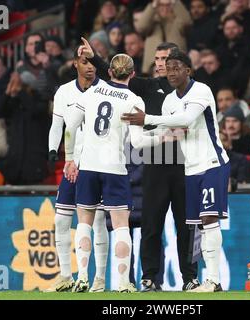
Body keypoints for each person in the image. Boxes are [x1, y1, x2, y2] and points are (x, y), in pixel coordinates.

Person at [79, 39, 199, 292]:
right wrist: (94, 57)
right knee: (151, 225)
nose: (160, 64)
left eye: (165, 59)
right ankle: (150, 277)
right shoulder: (147, 87)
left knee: (187, 225)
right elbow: (115, 77)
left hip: (185, 164)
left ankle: (190, 277)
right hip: (154, 163)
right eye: (156, 60)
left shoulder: (193, 92)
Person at [122, 50, 231, 292]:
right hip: (190, 169)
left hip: (211, 163)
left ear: (188, 71)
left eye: (176, 67)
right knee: (198, 225)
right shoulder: (169, 101)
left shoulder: (201, 90)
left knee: (209, 221)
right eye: (167, 67)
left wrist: (147, 119)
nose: (171, 71)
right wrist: (142, 137)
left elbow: (185, 120)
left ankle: (212, 281)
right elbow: (171, 131)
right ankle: (203, 281)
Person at [64, 53, 171, 293]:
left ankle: (82, 279)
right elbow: (139, 142)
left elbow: (70, 126)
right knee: (122, 226)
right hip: (114, 168)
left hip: (88, 166)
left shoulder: (91, 92)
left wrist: (70, 158)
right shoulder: (134, 99)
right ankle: (124, 283)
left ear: (110, 72)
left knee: (84, 223)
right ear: (132, 74)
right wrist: (164, 136)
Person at [44, 51, 110, 293]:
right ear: (75, 64)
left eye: (93, 62)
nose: (90, 67)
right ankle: (65, 276)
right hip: (72, 164)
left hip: (97, 164)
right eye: (84, 62)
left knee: (99, 220)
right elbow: (57, 125)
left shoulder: (106, 90)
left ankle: (99, 279)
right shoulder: (64, 91)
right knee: (61, 219)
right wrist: (53, 151)